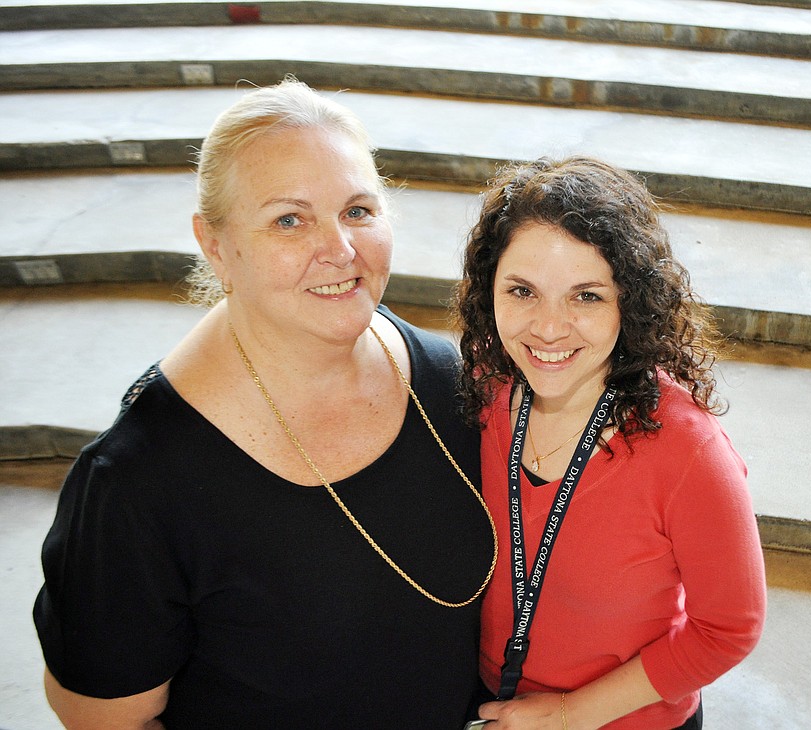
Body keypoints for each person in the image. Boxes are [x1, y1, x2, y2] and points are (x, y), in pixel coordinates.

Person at [33, 77, 497, 729]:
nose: (340, 250)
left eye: (359, 210)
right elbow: (106, 719)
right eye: (289, 219)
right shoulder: (134, 485)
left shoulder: (451, 379)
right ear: (216, 244)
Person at [454, 156, 767, 729]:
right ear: (487, 289)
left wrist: (571, 716)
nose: (548, 328)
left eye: (587, 296)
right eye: (522, 291)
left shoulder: (687, 452)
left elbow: (728, 628)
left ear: (632, 300)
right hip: (492, 704)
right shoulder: (485, 388)